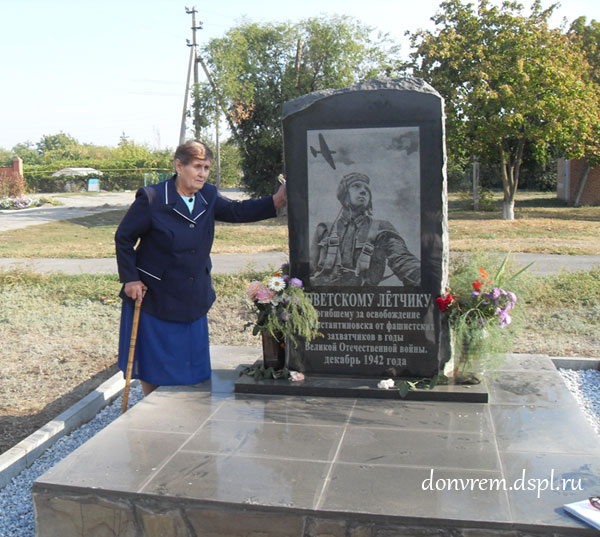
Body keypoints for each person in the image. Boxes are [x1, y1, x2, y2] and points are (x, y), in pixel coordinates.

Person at [115, 140, 287, 395]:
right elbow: (124, 238)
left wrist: (276, 200)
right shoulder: (152, 198)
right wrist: (130, 279)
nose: (202, 174)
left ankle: (187, 403)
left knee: (191, 359)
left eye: (206, 168)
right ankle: (152, 406)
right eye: (197, 167)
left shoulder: (207, 195)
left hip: (193, 293)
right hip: (156, 295)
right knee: (155, 359)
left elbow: (237, 211)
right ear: (179, 166)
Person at [310, 172, 420, 287]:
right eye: (356, 186)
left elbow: (402, 259)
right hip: (326, 295)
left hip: (365, 297)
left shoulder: (381, 228)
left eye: (367, 190)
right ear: (344, 193)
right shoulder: (324, 229)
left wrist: (420, 276)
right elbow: (310, 267)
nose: (363, 191)